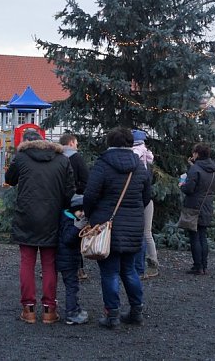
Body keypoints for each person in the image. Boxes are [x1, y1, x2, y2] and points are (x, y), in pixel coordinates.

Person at [84, 127, 151, 328]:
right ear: (131, 143)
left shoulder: (103, 165)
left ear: (109, 142)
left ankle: (112, 315)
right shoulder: (140, 167)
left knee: (110, 272)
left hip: (107, 225)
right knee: (129, 270)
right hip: (133, 226)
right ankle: (136, 311)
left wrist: (91, 216)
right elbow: (146, 197)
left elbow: (90, 195)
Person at [6, 129, 75, 324]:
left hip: (26, 215)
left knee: (27, 262)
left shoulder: (21, 158)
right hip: (52, 217)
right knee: (49, 263)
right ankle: (49, 310)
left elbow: (10, 179)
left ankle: (28, 309)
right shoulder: (62, 160)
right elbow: (69, 191)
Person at [181, 143, 215, 276]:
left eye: (194, 152)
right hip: (207, 204)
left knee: (194, 236)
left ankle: (197, 266)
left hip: (194, 205)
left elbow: (189, 188)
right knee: (203, 236)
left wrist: (182, 185)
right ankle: (204, 266)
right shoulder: (213, 169)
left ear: (197, 154)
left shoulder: (195, 169)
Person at [59, 132, 90, 280]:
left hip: (57, 202)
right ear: (71, 142)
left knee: (58, 233)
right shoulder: (76, 158)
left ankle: (54, 266)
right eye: (76, 142)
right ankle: (79, 268)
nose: (77, 145)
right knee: (76, 233)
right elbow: (86, 181)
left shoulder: (55, 157)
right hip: (75, 203)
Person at [131, 129, 159, 280]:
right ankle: (151, 263)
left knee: (144, 233)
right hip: (146, 200)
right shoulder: (147, 158)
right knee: (146, 233)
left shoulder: (134, 157)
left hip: (141, 201)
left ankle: (149, 264)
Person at [57, 194, 88, 325]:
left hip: (70, 259)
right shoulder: (69, 221)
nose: (82, 214)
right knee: (72, 286)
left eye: (84, 211)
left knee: (73, 285)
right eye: (79, 210)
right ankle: (71, 313)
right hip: (67, 261)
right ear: (72, 210)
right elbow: (68, 239)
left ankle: (75, 308)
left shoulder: (70, 219)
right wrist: (77, 228)